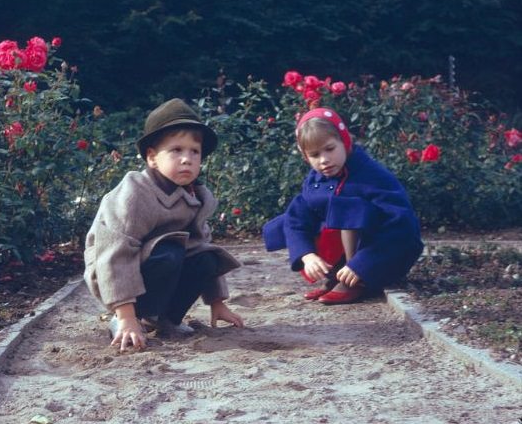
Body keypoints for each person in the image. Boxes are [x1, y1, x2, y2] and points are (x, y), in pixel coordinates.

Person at [84, 98, 244, 351]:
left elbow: (202, 244)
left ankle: (165, 318)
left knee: (207, 258)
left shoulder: (197, 196)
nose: (186, 159)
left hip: (159, 262)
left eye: (194, 151)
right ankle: (129, 319)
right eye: (176, 150)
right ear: (152, 158)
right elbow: (115, 252)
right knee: (169, 252)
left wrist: (217, 301)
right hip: (110, 270)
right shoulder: (135, 193)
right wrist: (125, 314)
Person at [262, 107, 423, 304]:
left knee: (346, 207)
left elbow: (402, 224)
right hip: (349, 255)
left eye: (330, 149)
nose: (324, 160)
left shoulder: (371, 175)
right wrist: (307, 255)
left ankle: (357, 281)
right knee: (298, 214)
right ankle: (335, 276)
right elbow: (297, 219)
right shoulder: (316, 180)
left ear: (345, 142)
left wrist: (362, 263)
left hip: (386, 254)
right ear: (305, 157)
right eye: (314, 155)